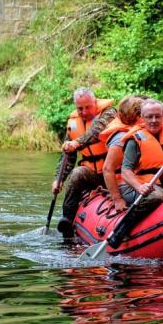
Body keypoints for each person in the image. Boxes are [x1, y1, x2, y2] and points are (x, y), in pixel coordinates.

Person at [113, 99, 163, 248]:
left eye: (157, 116)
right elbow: (125, 171)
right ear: (142, 117)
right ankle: (121, 230)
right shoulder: (135, 140)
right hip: (148, 185)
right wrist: (139, 187)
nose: (154, 120)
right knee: (156, 196)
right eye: (149, 117)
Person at [53, 87, 116, 237]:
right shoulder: (73, 122)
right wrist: (58, 179)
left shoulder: (109, 114)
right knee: (77, 173)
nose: (84, 112)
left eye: (88, 107)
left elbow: (96, 132)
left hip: (113, 173)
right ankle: (67, 219)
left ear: (95, 102)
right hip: (92, 173)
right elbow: (68, 155)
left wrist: (77, 142)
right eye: (80, 108)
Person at [98, 96, 145, 215]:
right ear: (138, 115)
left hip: (140, 181)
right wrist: (117, 199)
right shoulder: (120, 139)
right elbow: (107, 169)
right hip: (126, 186)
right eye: (145, 113)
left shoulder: (141, 132)